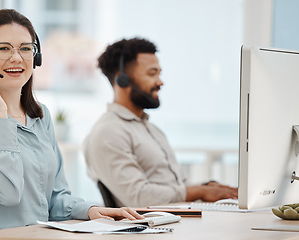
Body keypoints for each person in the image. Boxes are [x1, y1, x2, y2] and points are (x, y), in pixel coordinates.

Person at [0, 9, 143, 232]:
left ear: (36, 57)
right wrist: (0, 114)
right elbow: (7, 193)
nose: (16, 57)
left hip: (35, 235)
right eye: (3, 48)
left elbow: (54, 197)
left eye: (26, 48)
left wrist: (90, 210)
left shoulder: (40, 116)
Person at [83, 38, 238, 207]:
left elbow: (178, 188)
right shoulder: (108, 132)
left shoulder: (152, 130)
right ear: (123, 80)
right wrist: (200, 192)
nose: (160, 82)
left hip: (177, 221)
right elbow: (139, 198)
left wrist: (208, 188)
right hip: (153, 229)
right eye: (152, 74)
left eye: (159, 73)